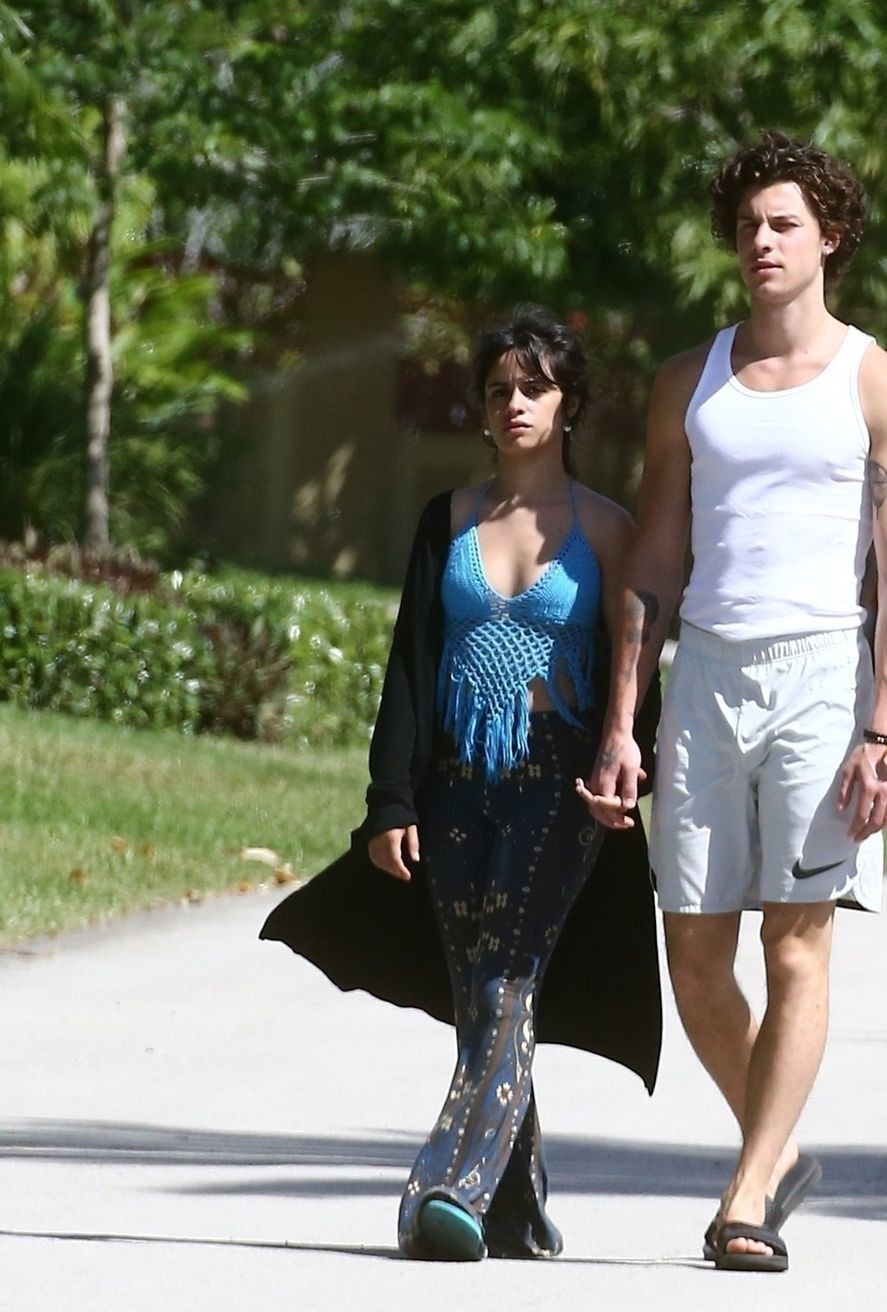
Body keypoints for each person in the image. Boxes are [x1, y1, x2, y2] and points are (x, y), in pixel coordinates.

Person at [581, 133, 887, 1272]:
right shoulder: (690, 382)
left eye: (784, 224)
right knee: (693, 956)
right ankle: (775, 1151)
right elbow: (654, 557)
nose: (762, 243)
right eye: (747, 227)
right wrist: (625, 717)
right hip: (706, 679)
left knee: (795, 944)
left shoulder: (881, 385)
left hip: (823, 678)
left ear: (831, 237)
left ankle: (745, 1195)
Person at [260, 307, 662, 1262]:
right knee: (477, 991)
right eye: (498, 390)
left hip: (556, 787)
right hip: (454, 783)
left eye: (535, 388)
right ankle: (517, 1205)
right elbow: (410, 665)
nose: (515, 403)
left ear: (569, 406)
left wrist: (626, 765)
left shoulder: (610, 530)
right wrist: (389, 801)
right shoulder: (446, 520)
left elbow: (636, 669)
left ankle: (446, 1188)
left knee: (505, 977)